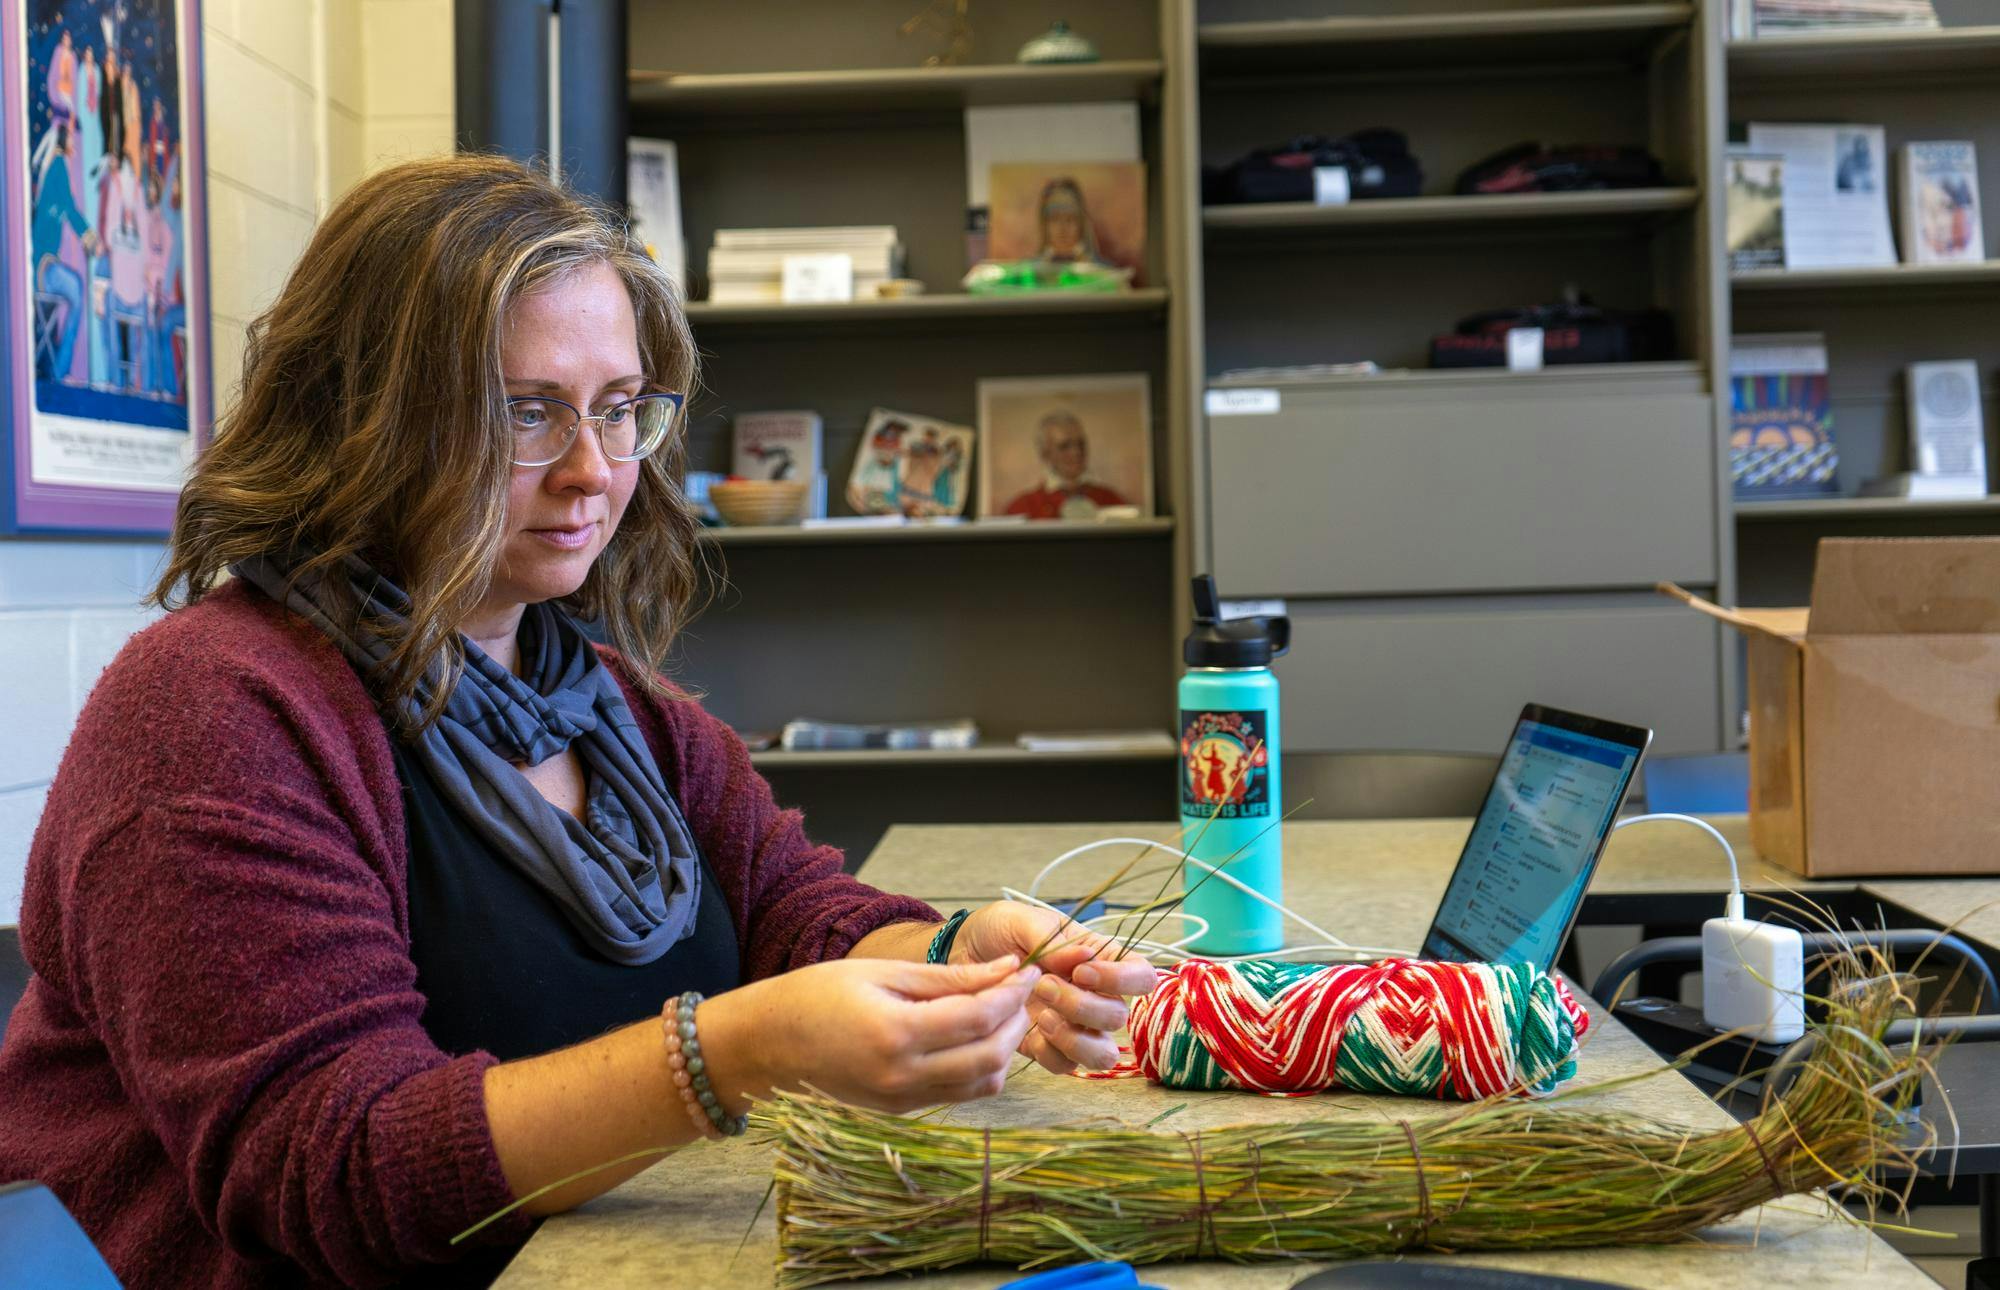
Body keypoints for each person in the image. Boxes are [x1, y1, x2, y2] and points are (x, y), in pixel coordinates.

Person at [0, 155, 1156, 1289]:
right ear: (359, 415)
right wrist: (728, 1058)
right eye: (525, 415)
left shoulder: (607, 700)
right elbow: (328, 1173)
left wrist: (954, 956)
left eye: (619, 411)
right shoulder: (213, 712)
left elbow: (788, 912)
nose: (596, 473)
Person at [30, 124, 93, 381]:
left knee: (76, 290)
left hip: (43, 263)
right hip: (44, 265)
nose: (75, 146)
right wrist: (88, 235)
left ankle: (58, 366)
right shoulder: (57, 166)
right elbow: (69, 205)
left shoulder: (53, 169)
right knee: (77, 290)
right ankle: (60, 369)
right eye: (73, 140)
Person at [1003, 409, 1130, 519]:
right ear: (1045, 454)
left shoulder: (1111, 500)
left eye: (1081, 444)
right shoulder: (1023, 507)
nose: (1077, 452)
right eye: (1065, 446)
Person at [1035, 176, 1108, 267]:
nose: (1062, 227)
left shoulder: (1103, 272)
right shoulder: (1028, 274)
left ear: (1081, 223)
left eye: (1070, 219)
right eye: (1055, 219)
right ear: (1044, 224)